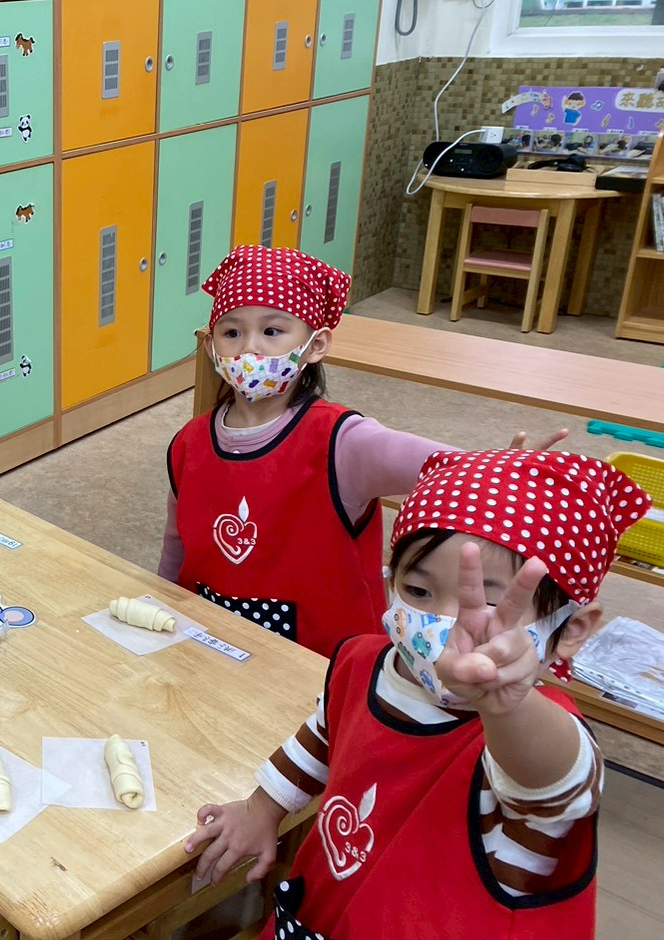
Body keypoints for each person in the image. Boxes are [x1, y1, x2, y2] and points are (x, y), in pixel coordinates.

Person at [184, 449, 651, 940]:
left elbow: (555, 789)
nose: (450, 628)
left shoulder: (533, 737)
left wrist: (506, 704)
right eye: (418, 591)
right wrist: (263, 807)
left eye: (489, 605)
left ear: (569, 630)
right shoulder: (364, 661)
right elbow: (326, 731)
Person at [160, 244, 563, 658]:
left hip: (328, 662)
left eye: (272, 331)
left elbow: (448, 468)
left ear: (315, 345)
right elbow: (177, 542)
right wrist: (164, 602)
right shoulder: (189, 441)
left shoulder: (345, 441)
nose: (249, 348)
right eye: (231, 333)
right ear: (211, 346)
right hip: (212, 642)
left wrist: (506, 468)